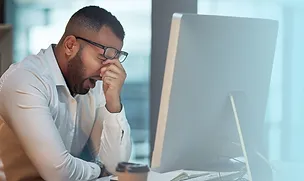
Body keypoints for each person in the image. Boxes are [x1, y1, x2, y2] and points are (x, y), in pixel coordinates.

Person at [0, 6, 132, 181]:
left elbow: (116, 165)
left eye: (114, 60)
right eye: (103, 57)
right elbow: (59, 173)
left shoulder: (95, 83)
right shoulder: (25, 80)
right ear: (70, 46)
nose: (106, 71)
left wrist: (114, 102)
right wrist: (100, 170)